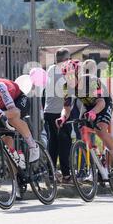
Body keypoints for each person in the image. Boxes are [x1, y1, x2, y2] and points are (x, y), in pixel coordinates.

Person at [55, 60, 113, 176]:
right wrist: (62, 118)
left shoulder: (90, 80)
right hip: (87, 105)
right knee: (82, 131)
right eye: (66, 77)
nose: (69, 79)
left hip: (103, 102)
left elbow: (101, 102)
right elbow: (66, 108)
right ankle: (96, 162)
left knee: (100, 130)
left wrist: (93, 112)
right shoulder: (67, 87)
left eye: (72, 76)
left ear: (78, 73)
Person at [44, 48, 73, 184]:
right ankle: (66, 175)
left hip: (48, 111)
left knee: (53, 143)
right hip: (61, 112)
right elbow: (69, 92)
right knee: (64, 144)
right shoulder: (67, 73)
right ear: (67, 59)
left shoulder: (50, 70)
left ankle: (51, 173)